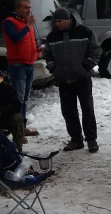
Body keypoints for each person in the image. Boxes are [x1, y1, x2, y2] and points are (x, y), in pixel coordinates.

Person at [43, 8, 101, 153]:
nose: (56, 24)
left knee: (87, 109)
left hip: (82, 78)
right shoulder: (52, 37)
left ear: (68, 20)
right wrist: (54, 69)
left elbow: (95, 50)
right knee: (68, 111)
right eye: (55, 21)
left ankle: (91, 139)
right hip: (63, 79)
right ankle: (76, 139)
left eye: (59, 21)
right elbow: (47, 55)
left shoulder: (84, 32)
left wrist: (86, 66)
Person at [3, 0, 39, 136]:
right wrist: (28, 26)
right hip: (18, 66)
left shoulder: (26, 23)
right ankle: (17, 129)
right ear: (17, 9)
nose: (28, 10)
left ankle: (21, 127)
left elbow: (27, 42)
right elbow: (16, 37)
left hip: (29, 63)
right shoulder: (10, 22)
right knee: (18, 98)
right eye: (25, 7)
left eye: (29, 7)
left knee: (24, 98)